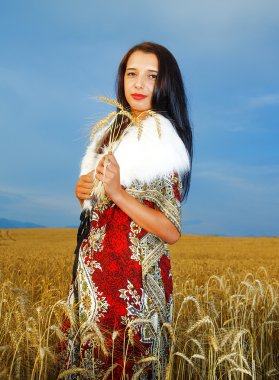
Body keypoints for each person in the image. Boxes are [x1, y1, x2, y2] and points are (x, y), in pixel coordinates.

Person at [60, 42, 193, 380]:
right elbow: (98, 210)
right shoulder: (113, 134)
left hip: (134, 291)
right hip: (92, 283)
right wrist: (84, 192)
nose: (138, 84)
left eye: (151, 76)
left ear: (166, 85)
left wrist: (117, 193)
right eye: (132, 74)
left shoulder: (165, 143)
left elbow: (170, 230)